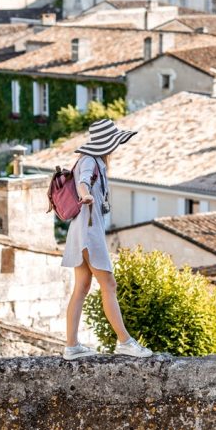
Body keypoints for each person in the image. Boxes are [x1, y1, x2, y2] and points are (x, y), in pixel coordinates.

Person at [62, 119, 153, 360]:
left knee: (81, 287)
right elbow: (82, 183)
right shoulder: (90, 161)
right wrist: (86, 196)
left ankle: (72, 346)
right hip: (88, 232)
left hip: (79, 230)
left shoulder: (93, 162)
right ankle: (125, 341)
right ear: (106, 143)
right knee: (109, 285)